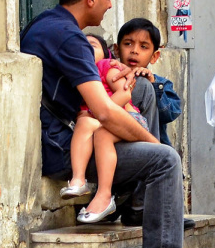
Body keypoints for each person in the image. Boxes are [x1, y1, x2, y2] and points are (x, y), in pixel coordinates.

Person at [21, 0, 202, 248]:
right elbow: (102, 111)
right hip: (68, 147)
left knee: (144, 90)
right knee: (165, 161)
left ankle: (137, 205)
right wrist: (153, 144)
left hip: (74, 132)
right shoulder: (70, 39)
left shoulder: (48, 23)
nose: (108, 5)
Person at [62, 35, 151, 224]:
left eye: (92, 45)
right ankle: (78, 181)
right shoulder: (76, 75)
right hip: (99, 122)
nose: (86, 48)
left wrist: (100, 113)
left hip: (129, 119)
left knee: (100, 132)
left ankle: (104, 195)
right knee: (85, 124)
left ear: (105, 53)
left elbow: (125, 93)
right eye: (81, 45)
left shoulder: (105, 66)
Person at [116, 18, 182, 147]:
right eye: (128, 44)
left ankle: (153, 152)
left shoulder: (160, 83)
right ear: (116, 50)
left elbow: (170, 114)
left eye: (143, 47)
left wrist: (153, 85)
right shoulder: (111, 78)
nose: (134, 50)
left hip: (153, 145)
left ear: (154, 56)